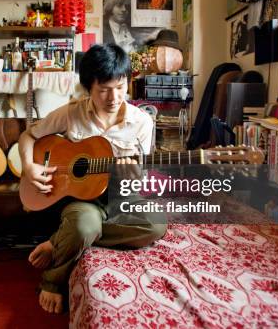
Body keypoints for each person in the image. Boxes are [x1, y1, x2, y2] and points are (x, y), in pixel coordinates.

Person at [18, 44, 167, 314]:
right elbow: (28, 137)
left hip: (120, 197)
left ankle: (59, 241)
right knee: (85, 224)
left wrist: (134, 175)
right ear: (89, 88)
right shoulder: (70, 113)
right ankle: (52, 281)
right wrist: (29, 166)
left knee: (156, 224)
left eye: (120, 87)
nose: (114, 97)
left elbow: (139, 176)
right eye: (104, 89)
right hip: (81, 199)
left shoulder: (143, 122)